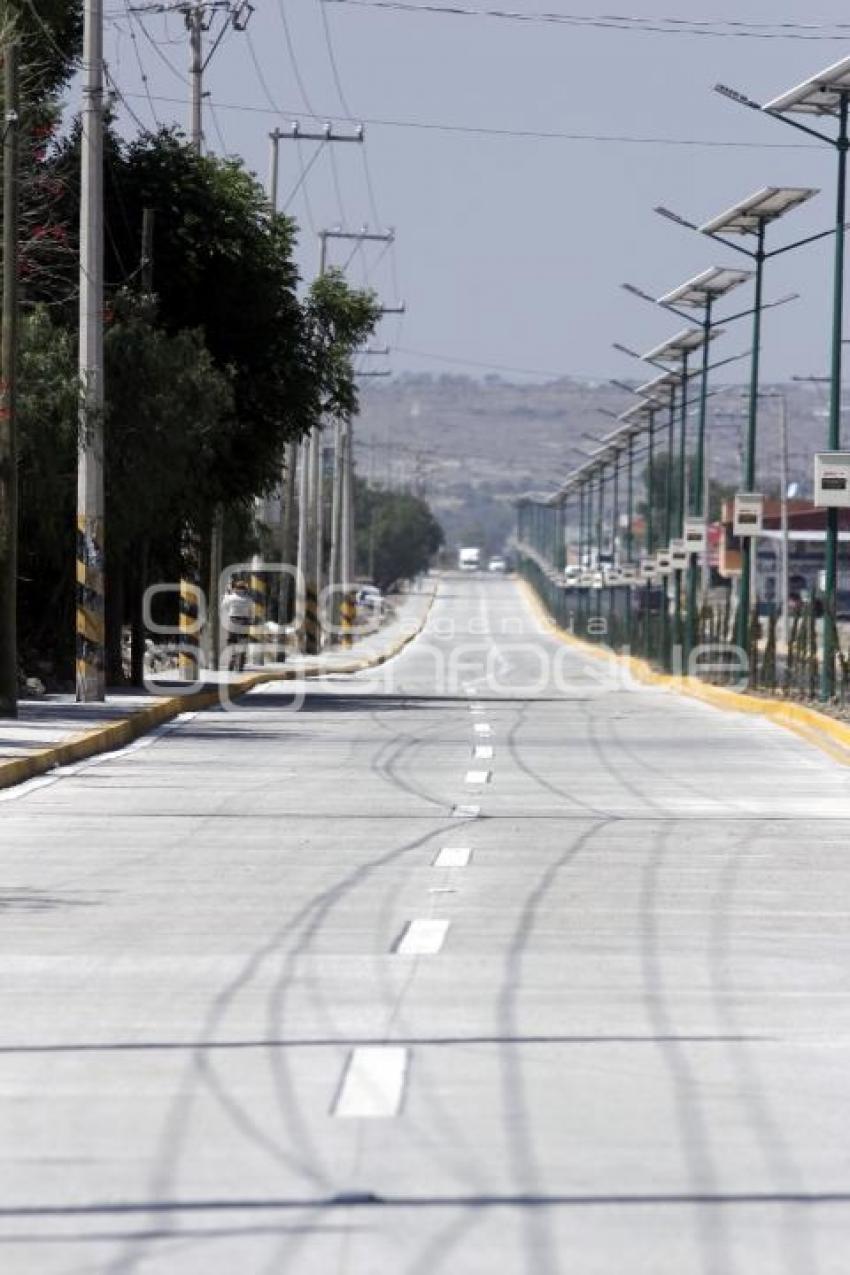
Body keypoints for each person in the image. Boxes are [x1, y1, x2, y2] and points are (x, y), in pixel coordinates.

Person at [221, 579, 253, 672]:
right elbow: (251, 612)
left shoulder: (230, 598)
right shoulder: (248, 599)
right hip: (244, 621)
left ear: (235, 588)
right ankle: (241, 664)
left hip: (233, 620)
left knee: (232, 642)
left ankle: (232, 659)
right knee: (242, 643)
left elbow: (224, 607)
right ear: (245, 589)